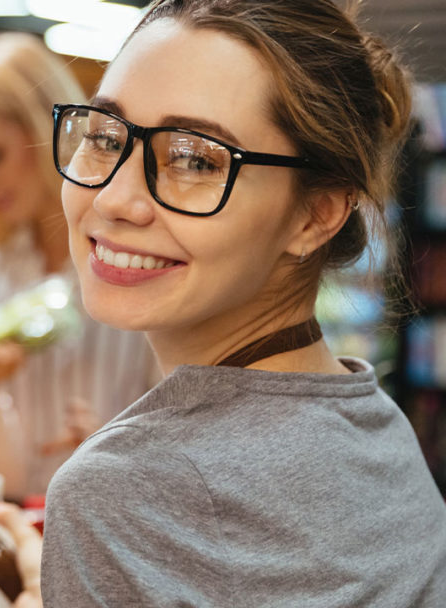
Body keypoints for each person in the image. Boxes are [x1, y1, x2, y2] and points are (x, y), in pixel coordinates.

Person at [34, 0, 446, 605]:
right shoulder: (374, 418)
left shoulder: (117, 491)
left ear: (317, 214)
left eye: (194, 159)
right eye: (103, 136)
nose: (118, 199)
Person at [0, 32, 157, 498]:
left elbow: (176, 420)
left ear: (45, 130)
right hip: (13, 518)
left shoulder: (138, 251)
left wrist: (117, 452)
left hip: (120, 515)